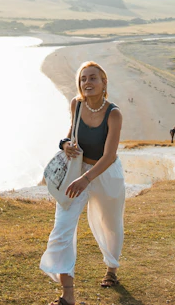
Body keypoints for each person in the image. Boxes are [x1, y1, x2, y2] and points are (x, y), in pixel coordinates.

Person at [41, 61, 125, 305]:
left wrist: (86, 179)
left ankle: (112, 268)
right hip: (76, 172)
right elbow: (71, 132)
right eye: (83, 79)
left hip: (106, 174)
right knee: (62, 229)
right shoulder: (76, 104)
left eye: (93, 78)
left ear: (103, 82)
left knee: (110, 224)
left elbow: (109, 156)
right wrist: (65, 144)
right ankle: (68, 294)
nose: (87, 83)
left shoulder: (114, 113)